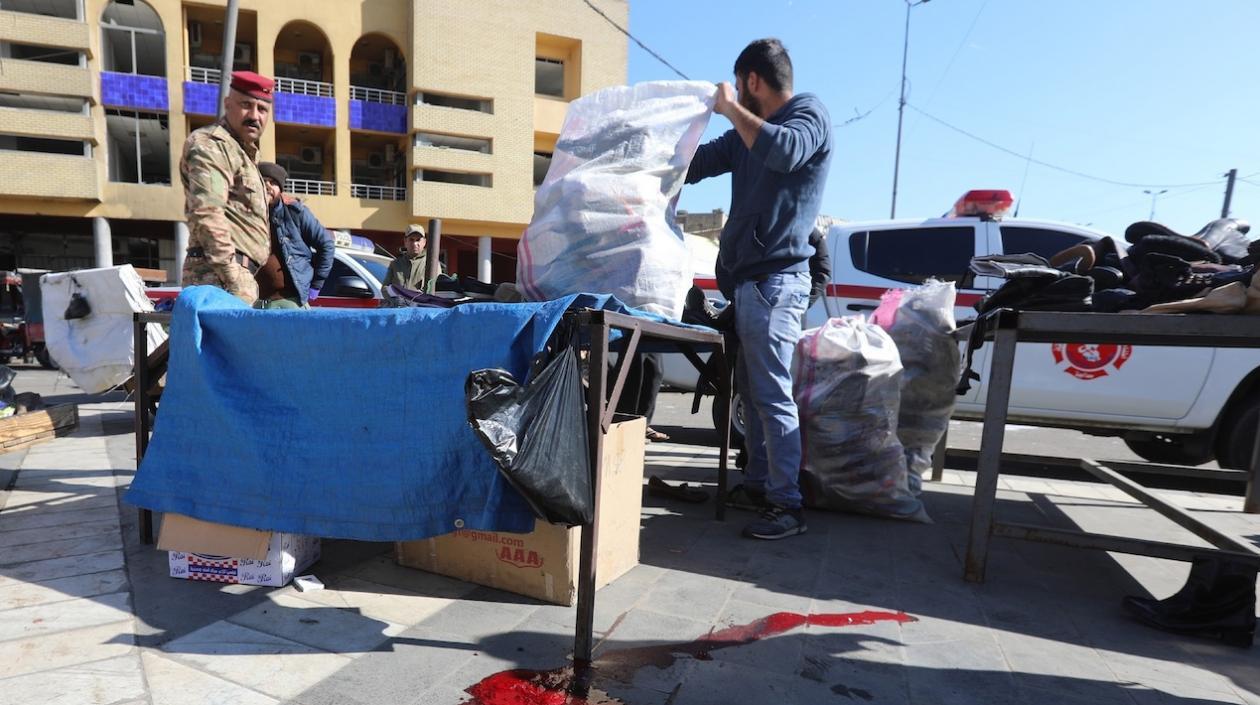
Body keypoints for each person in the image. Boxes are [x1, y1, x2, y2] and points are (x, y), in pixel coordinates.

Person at [685, 38, 832, 540]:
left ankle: (786, 505)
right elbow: (697, 162)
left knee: (771, 397)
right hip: (749, 285)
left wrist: (729, 110)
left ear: (751, 82)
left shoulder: (807, 115)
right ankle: (758, 484)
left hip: (778, 281)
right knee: (750, 393)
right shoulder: (745, 138)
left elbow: (787, 152)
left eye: (739, 90)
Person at [180, 71, 275, 305]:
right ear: (227, 105)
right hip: (218, 276)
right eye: (246, 105)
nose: (254, 116)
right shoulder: (213, 144)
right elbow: (207, 211)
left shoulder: (241, 153)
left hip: (230, 275)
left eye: (262, 109)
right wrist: (232, 275)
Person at [254, 162, 334, 309]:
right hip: (256, 302)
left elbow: (326, 244)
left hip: (291, 302)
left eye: (272, 182)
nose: (266, 186)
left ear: (280, 188)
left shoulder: (296, 212)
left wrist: (316, 284)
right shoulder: (247, 215)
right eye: (262, 181)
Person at [382, 224, 439, 295]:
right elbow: (384, 289)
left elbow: (438, 290)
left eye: (418, 240)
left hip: (421, 305)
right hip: (399, 305)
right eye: (411, 240)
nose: (415, 243)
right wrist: (395, 298)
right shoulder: (395, 264)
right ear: (405, 241)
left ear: (424, 242)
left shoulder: (432, 264)